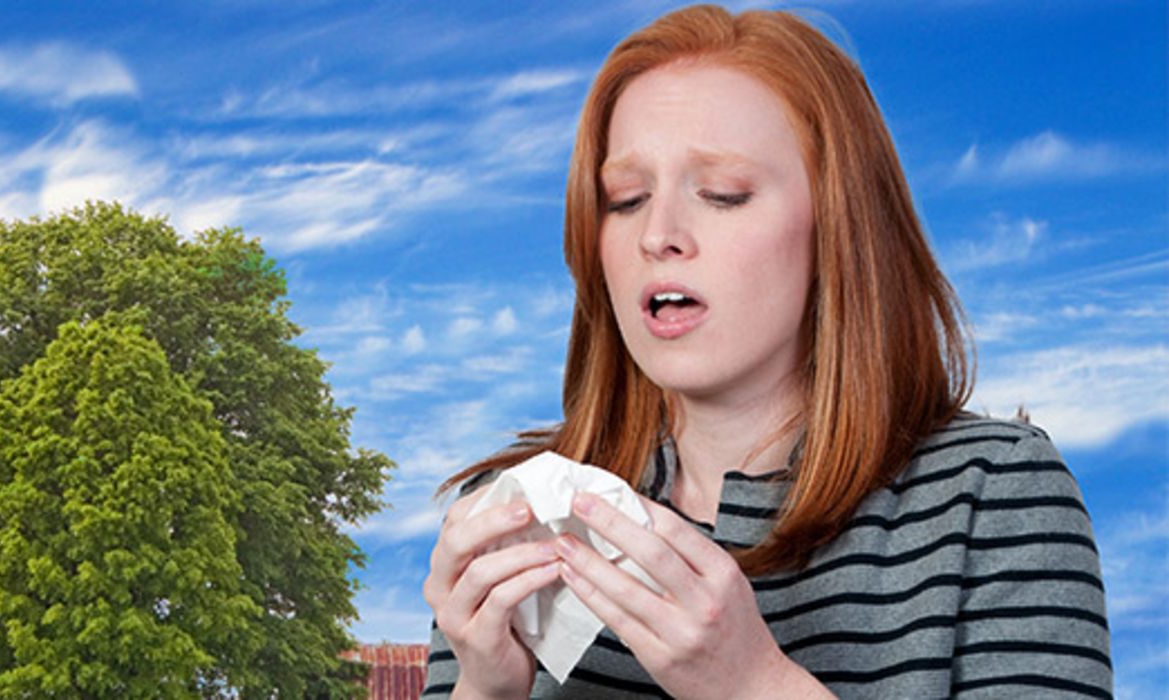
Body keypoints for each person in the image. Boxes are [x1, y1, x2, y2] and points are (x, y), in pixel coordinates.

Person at [419, 4, 1112, 699]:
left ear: (837, 226)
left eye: (723, 194)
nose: (657, 234)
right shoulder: (507, 520)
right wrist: (484, 689)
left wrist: (750, 683)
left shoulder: (993, 494)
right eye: (625, 200)